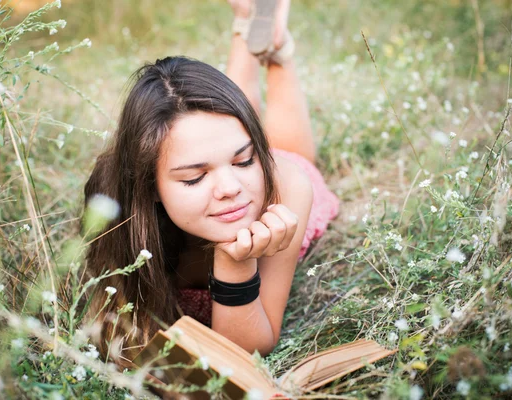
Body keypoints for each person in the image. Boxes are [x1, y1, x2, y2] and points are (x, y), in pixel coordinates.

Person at [83, 0, 339, 367]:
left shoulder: (286, 188)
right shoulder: (116, 204)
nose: (229, 187)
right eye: (194, 177)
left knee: (286, 153)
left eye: (246, 159)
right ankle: (247, 26)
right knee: (218, 136)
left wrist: (235, 262)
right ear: (149, 185)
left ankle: (279, 54)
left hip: (279, 176)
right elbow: (119, 338)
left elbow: (252, 347)